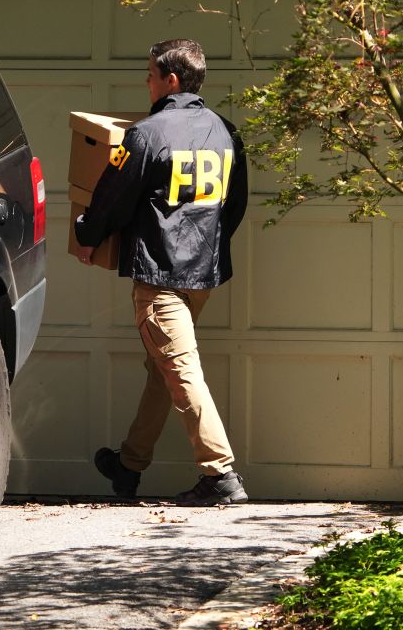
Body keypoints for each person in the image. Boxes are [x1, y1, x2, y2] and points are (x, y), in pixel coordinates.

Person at [73, 38, 248, 506]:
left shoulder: (145, 135)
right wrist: (208, 247)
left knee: (181, 369)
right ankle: (128, 466)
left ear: (170, 80)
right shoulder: (226, 131)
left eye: (150, 74)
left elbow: (111, 199)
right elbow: (235, 207)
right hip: (203, 276)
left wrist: (86, 237)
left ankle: (220, 474)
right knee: (163, 367)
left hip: (161, 277)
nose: (146, 82)